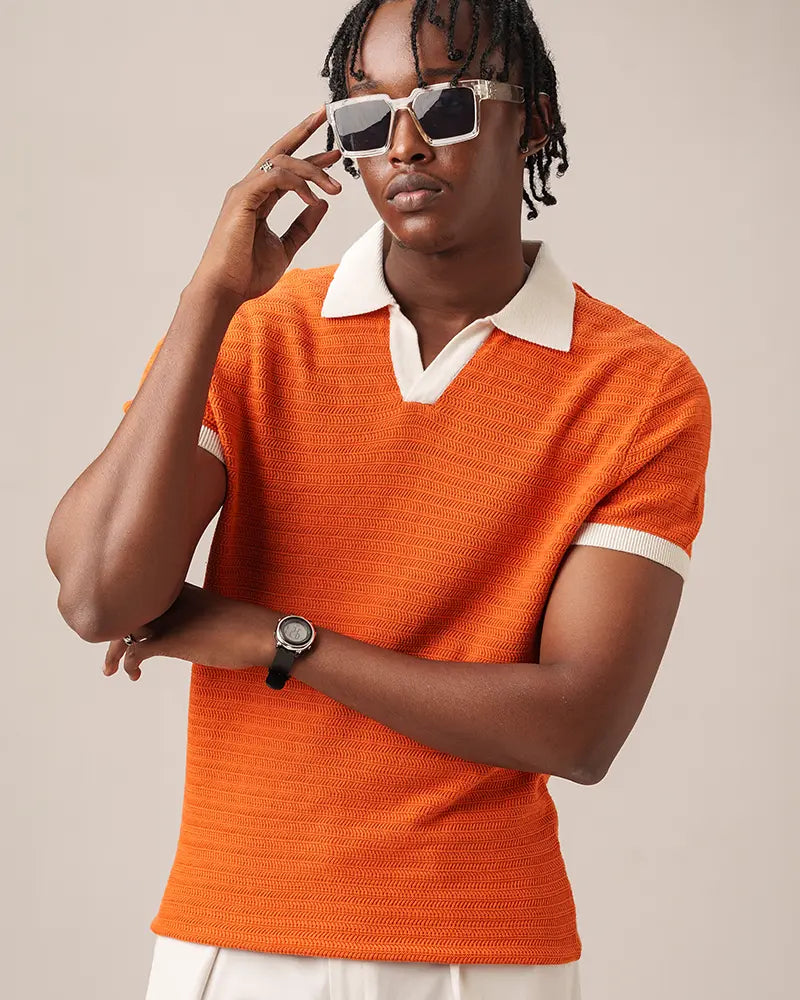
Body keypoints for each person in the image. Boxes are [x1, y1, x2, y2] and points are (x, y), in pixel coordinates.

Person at [45, 2, 712, 998]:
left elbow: (576, 727)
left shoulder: (638, 387)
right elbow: (101, 595)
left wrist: (277, 640)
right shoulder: (260, 335)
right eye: (365, 118)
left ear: (531, 121)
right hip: (234, 938)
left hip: (479, 955)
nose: (402, 146)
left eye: (444, 106)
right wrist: (207, 298)